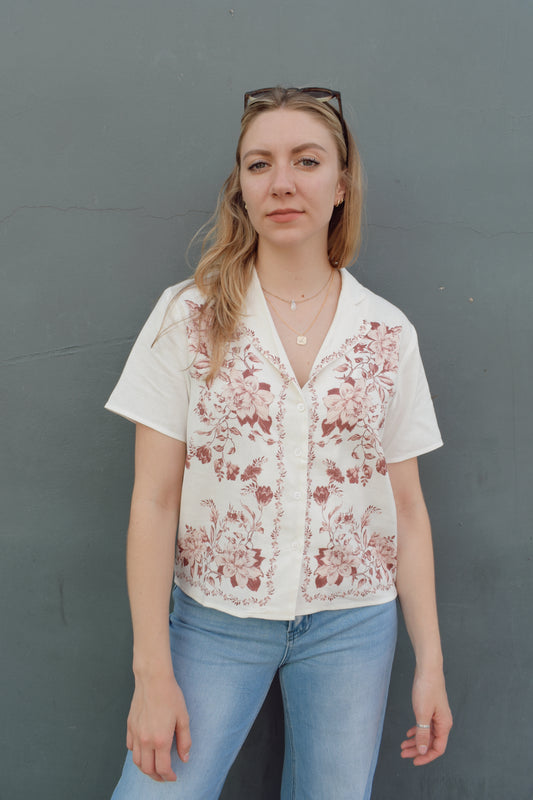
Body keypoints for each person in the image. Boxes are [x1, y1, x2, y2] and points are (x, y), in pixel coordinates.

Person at [105, 86, 452, 800]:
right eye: (259, 165)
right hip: (214, 625)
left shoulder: (386, 333)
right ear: (241, 188)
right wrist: (152, 672)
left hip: (353, 627)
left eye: (306, 160)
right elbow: (154, 498)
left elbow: (407, 512)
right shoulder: (189, 316)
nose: (283, 182)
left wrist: (431, 664)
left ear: (340, 183)